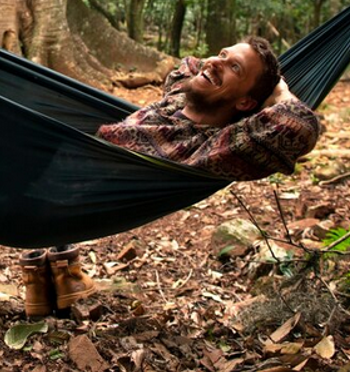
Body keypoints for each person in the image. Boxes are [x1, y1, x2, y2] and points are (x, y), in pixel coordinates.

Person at [18, 37, 321, 318]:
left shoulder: (216, 145)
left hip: (59, 178)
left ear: (244, 103)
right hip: (53, 167)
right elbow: (186, 65)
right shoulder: (180, 97)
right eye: (222, 54)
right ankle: (57, 272)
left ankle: (51, 270)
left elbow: (300, 126)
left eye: (234, 68)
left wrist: (278, 90)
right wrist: (219, 67)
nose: (215, 62)